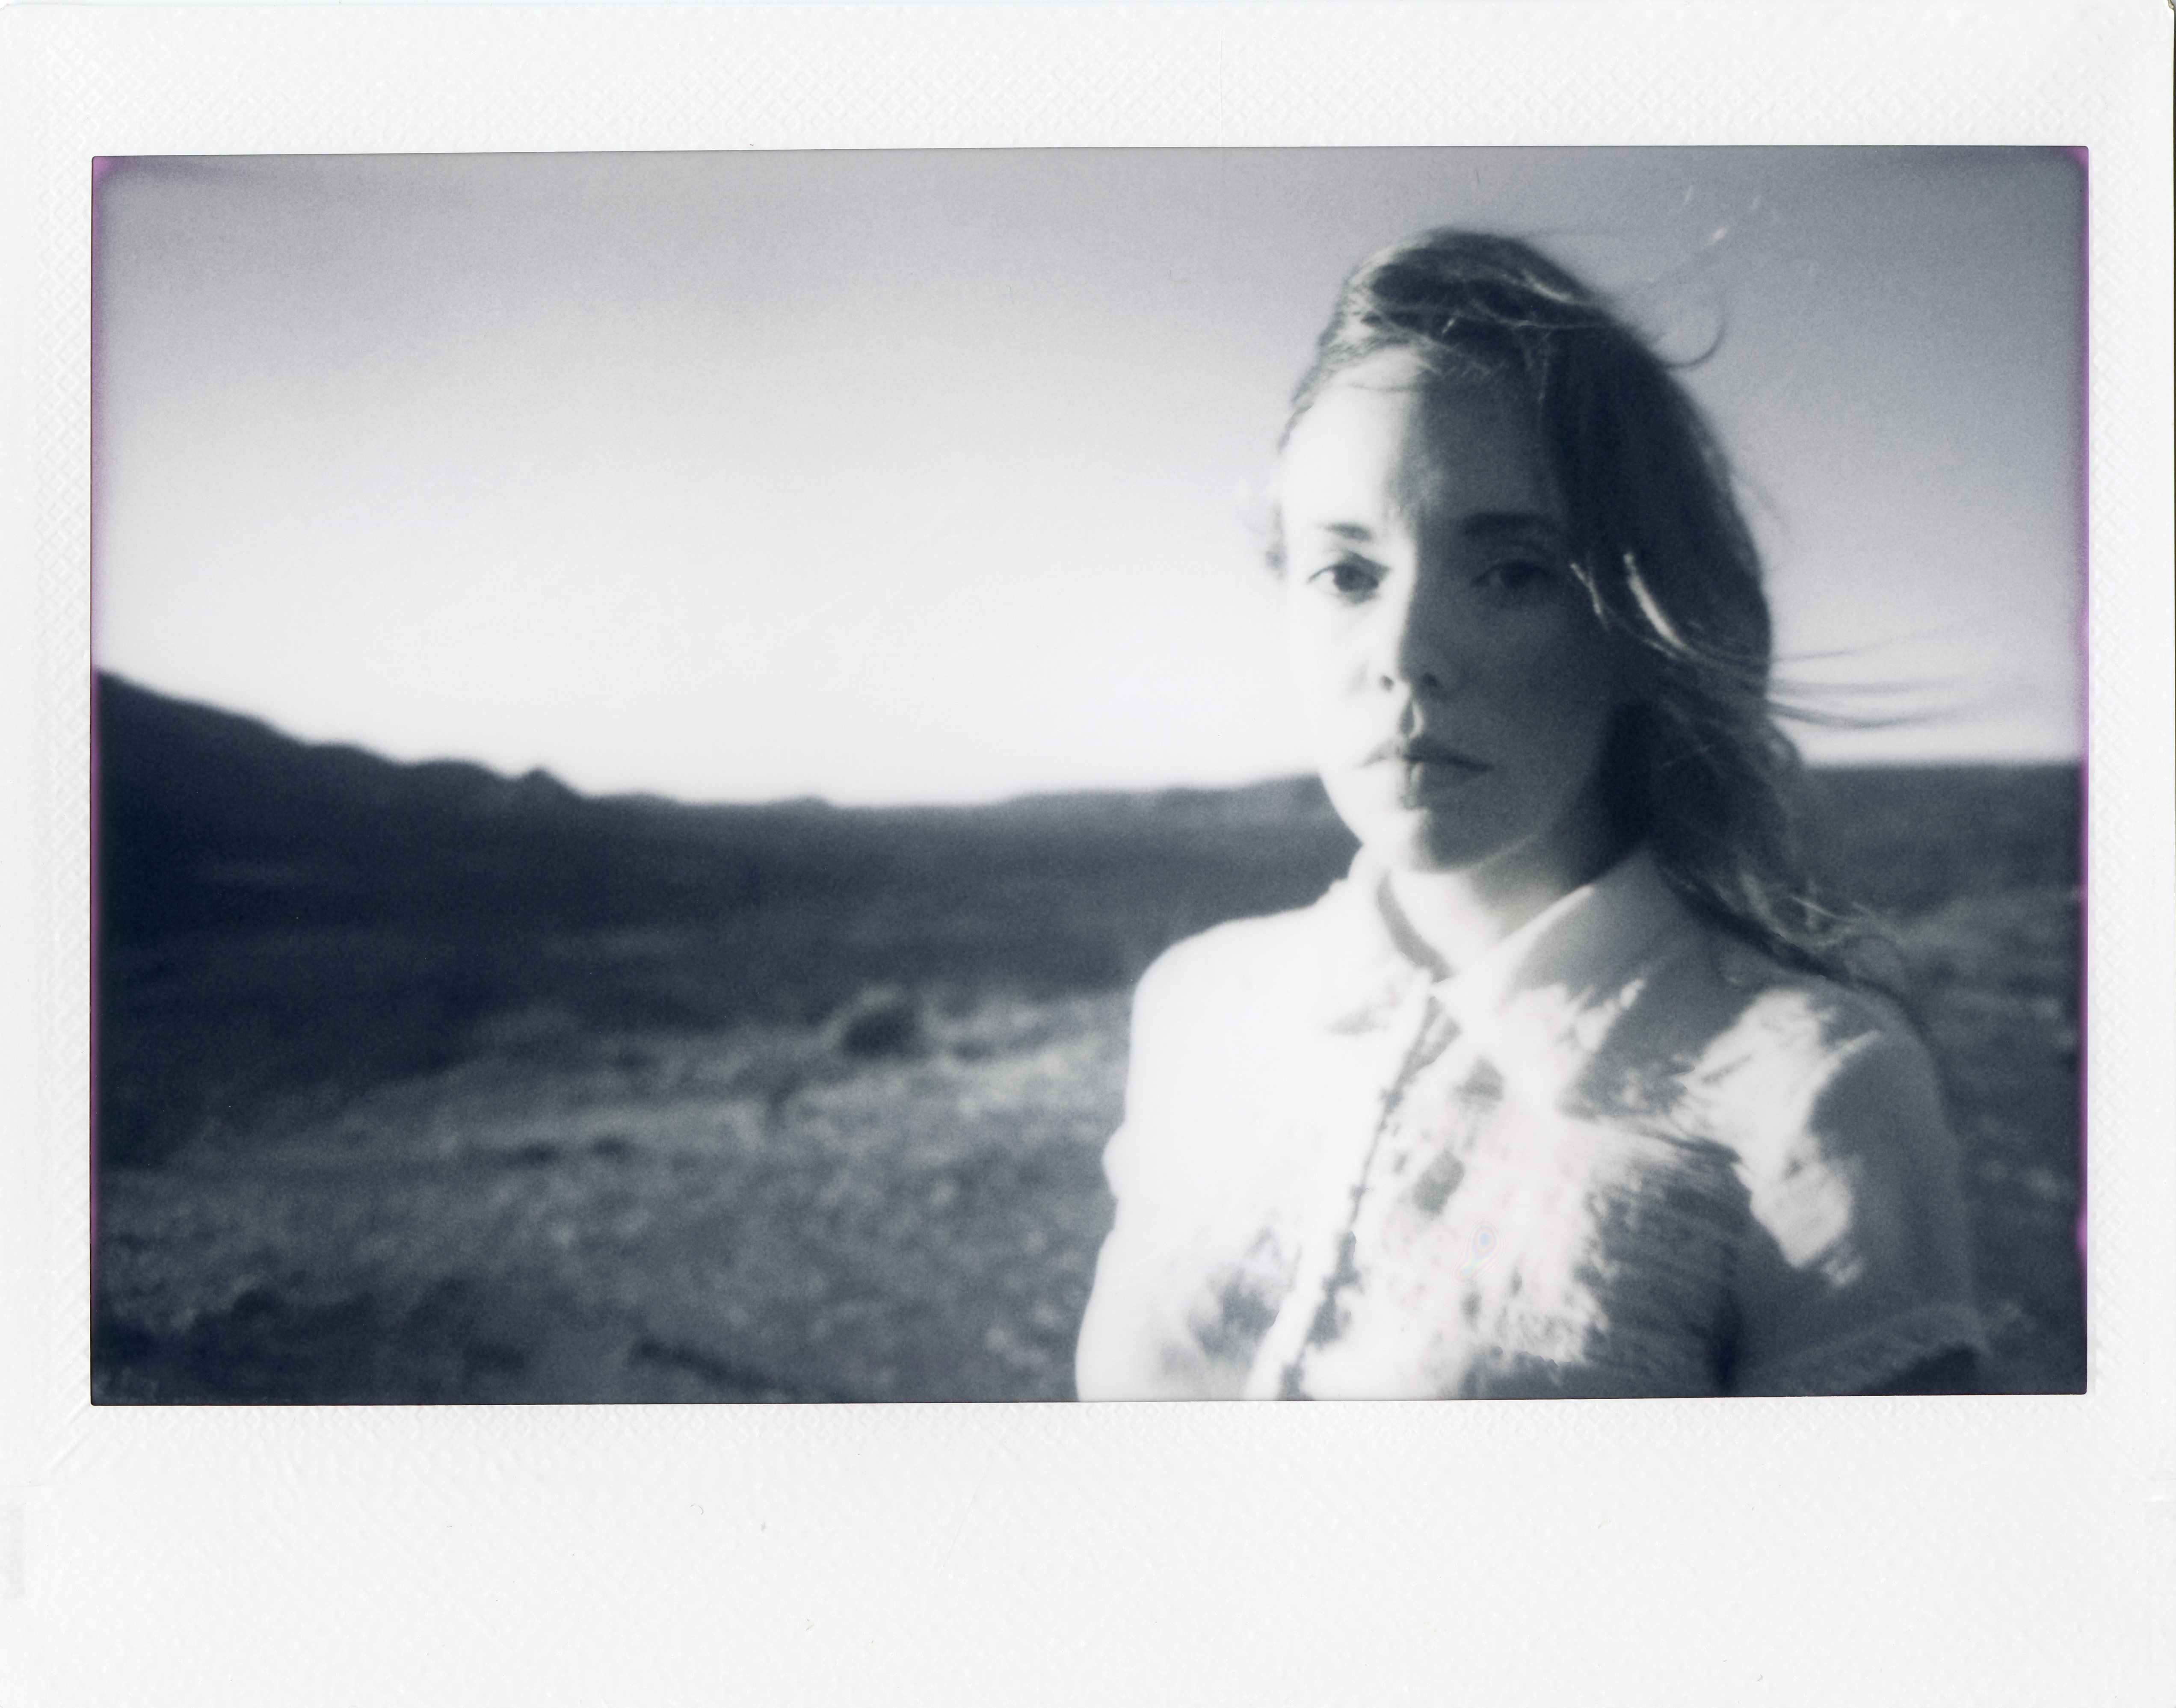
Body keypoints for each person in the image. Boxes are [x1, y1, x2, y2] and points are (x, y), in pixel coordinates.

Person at [1074, 230, 1985, 1401]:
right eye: (1347, 573)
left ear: (1643, 627)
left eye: (1512, 572)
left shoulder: (1816, 1095)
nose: (1405, 653)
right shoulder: (1198, 1004)